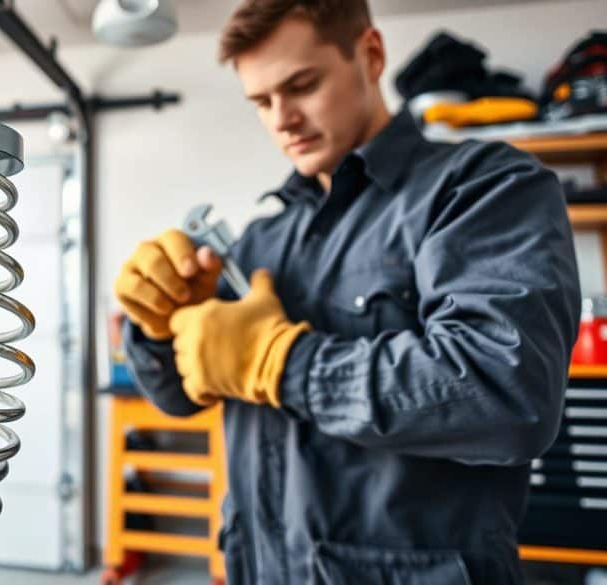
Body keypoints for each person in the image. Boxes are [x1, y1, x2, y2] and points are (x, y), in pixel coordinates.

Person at [112, 1, 582, 583]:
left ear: (371, 54)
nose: (281, 119)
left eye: (302, 84)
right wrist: (159, 327)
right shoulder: (263, 239)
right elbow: (181, 397)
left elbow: (510, 397)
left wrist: (283, 363)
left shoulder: (482, 188)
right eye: (261, 102)